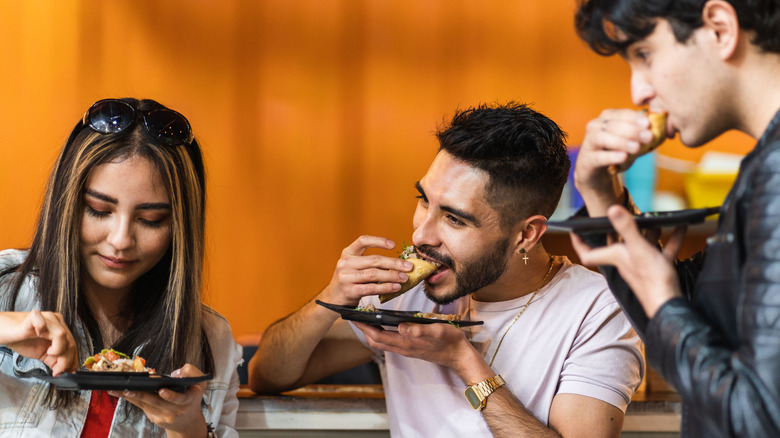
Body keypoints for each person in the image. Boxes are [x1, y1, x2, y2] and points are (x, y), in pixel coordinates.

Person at [249, 102, 644, 437]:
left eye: (455, 220)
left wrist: (463, 361)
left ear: (527, 233)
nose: (422, 235)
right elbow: (268, 375)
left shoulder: (598, 308)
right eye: (423, 201)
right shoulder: (409, 292)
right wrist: (330, 298)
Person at [571, 1, 780, 436]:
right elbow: (701, 319)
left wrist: (663, 302)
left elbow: (759, 418)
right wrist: (598, 191)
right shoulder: (762, 166)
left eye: (644, 54)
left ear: (720, 29)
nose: (638, 93)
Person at [0, 98, 241, 437]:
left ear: (179, 229)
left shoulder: (211, 341)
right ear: (67, 204)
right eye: (99, 210)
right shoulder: (6, 286)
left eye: (151, 219)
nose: (121, 239)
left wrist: (188, 430)